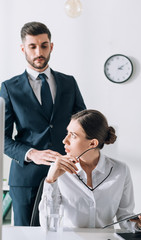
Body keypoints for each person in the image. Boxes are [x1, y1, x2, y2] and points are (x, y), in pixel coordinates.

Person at [0, 21, 86, 226]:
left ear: (51, 46)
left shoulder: (69, 82)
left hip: (66, 176)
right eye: (32, 46)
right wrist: (32, 153)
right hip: (25, 179)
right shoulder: (9, 88)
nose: (39, 51)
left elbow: (84, 126)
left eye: (44, 45)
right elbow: (2, 139)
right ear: (23, 49)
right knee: (25, 236)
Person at [39, 109, 141, 231]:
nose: (65, 140)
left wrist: (140, 225)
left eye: (73, 136)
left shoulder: (120, 170)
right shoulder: (58, 170)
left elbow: (125, 218)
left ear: (92, 143)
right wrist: (50, 180)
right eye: (67, 133)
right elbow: (47, 225)